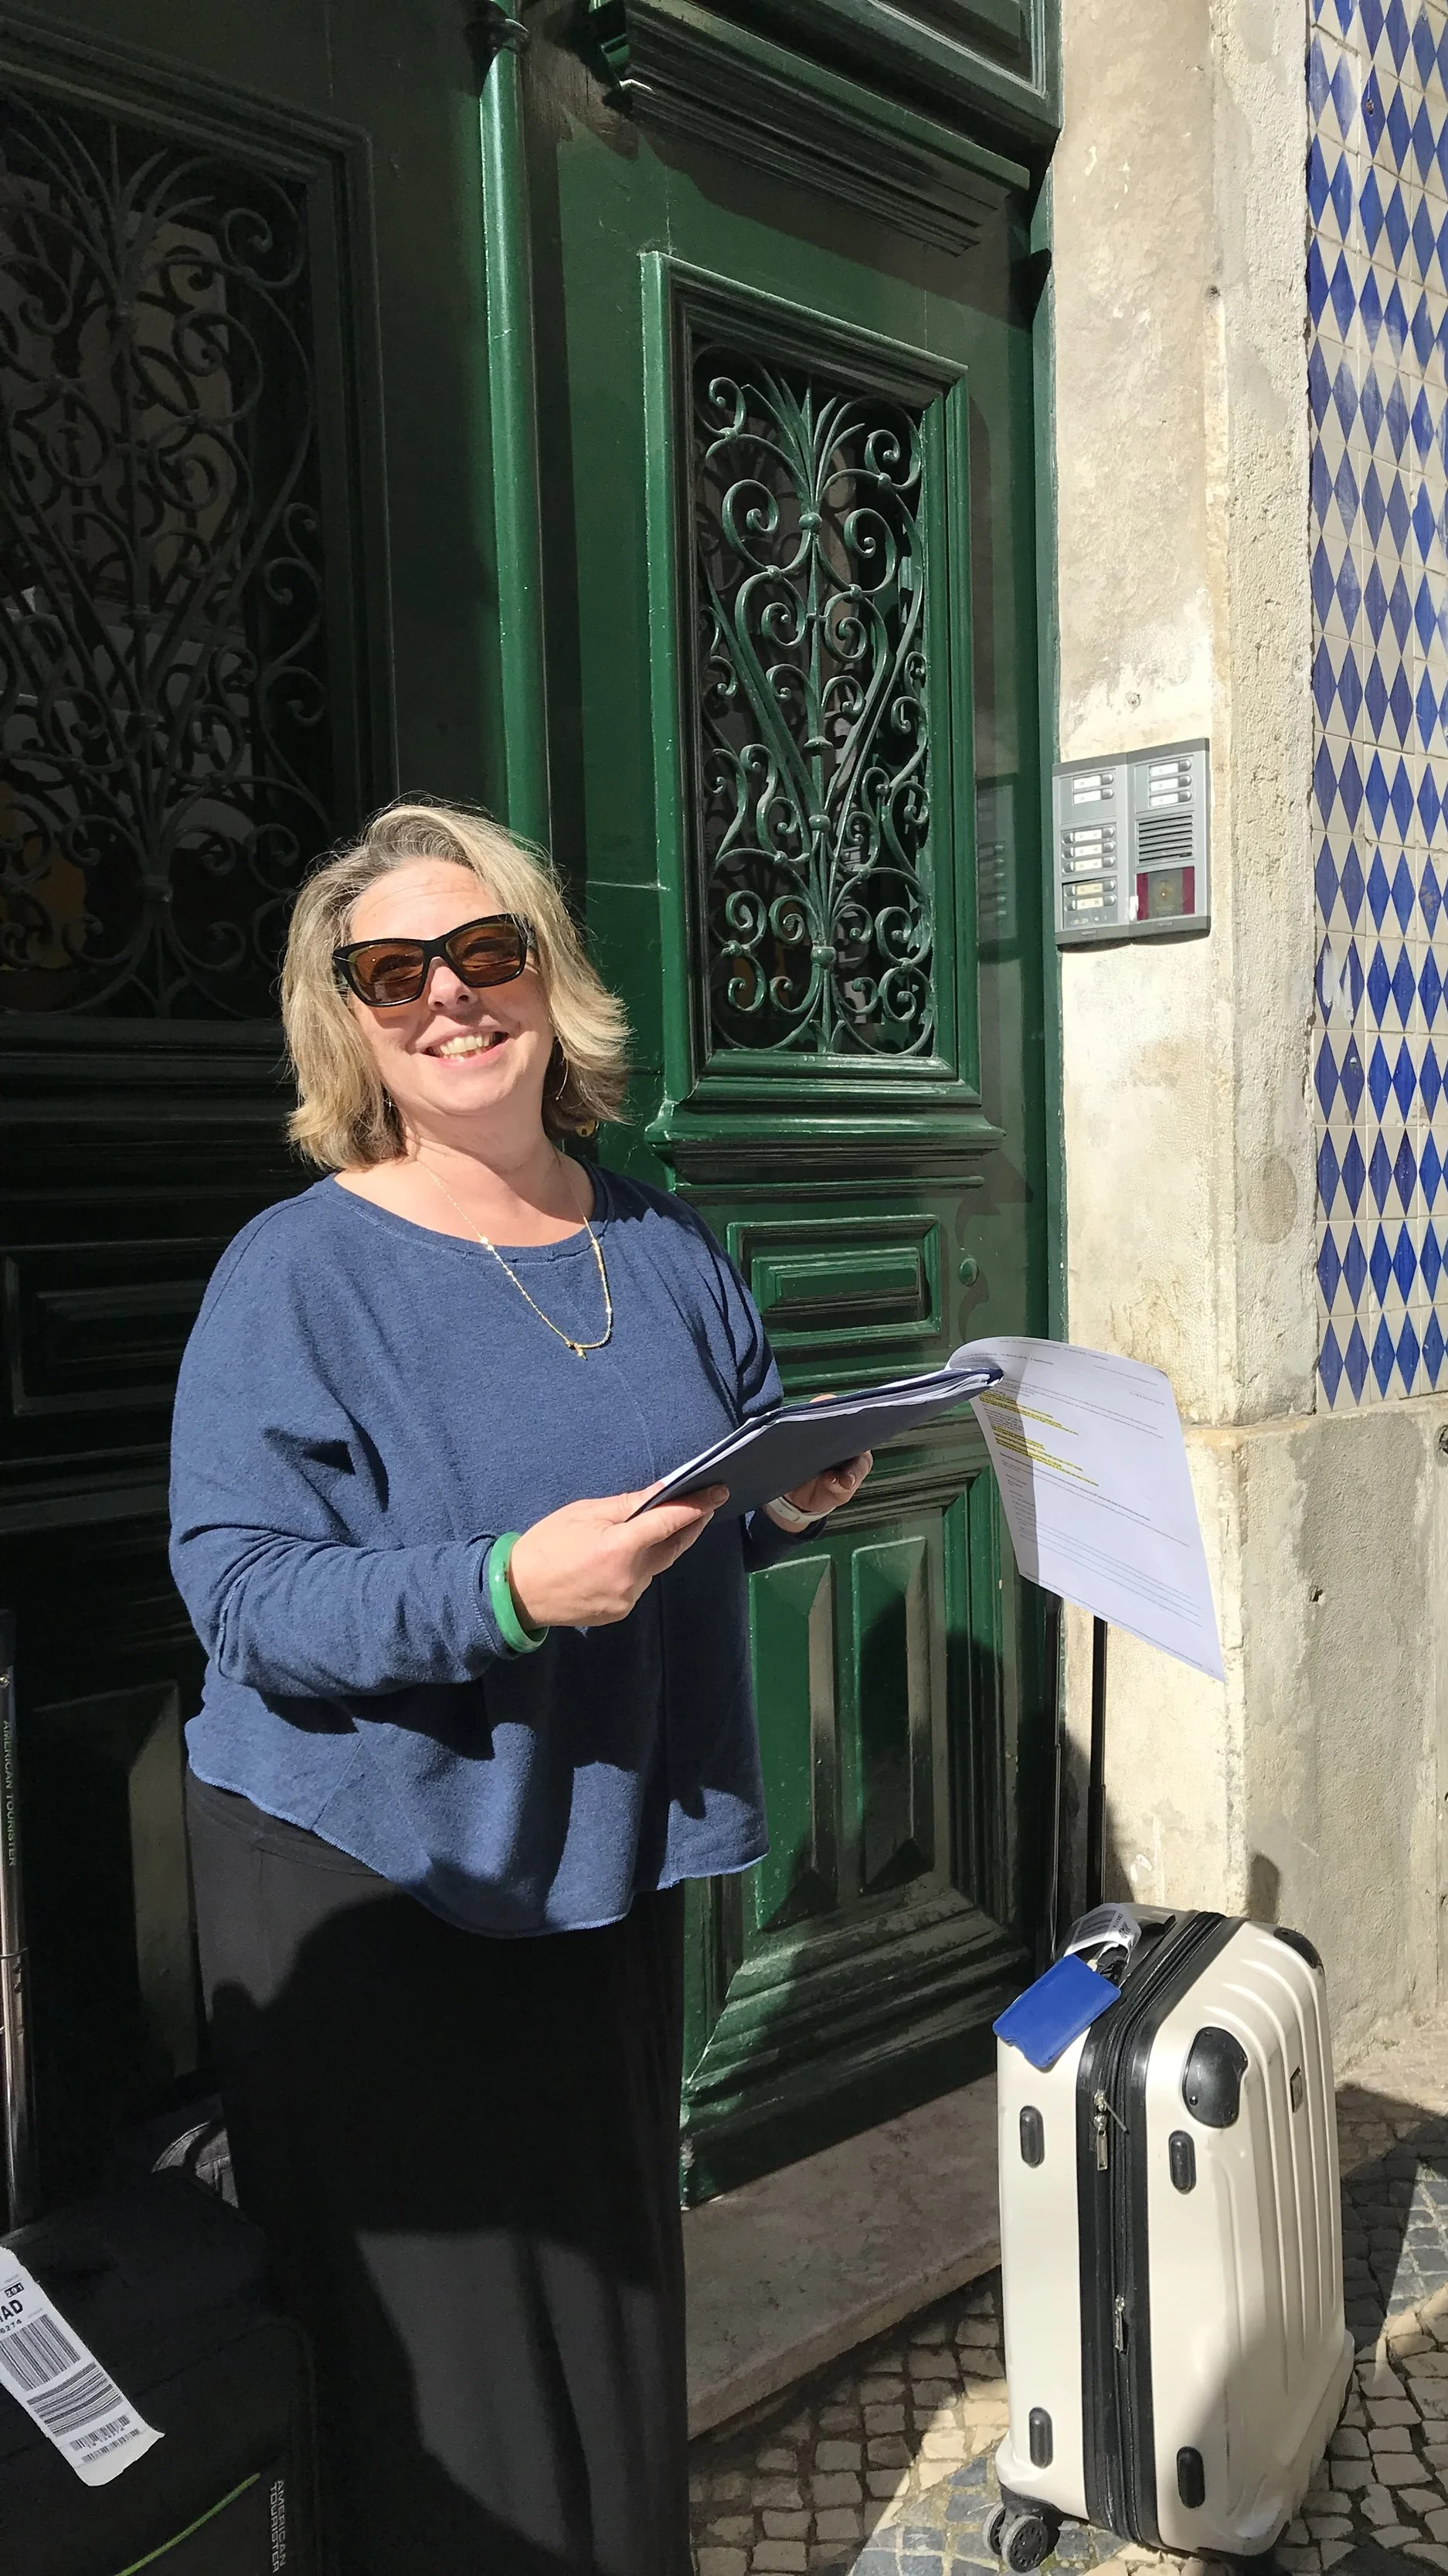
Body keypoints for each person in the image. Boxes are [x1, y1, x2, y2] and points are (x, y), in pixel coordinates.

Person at [168, 798, 872, 2575]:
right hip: (370, 1874)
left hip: (596, 1847)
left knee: (611, 2293)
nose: (450, 1001)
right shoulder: (298, 1271)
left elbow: (699, 1502)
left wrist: (779, 1504)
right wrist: (499, 1588)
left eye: (486, 954)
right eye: (392, 973)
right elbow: (243, 1597)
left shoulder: (661, 1242)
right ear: (348, 1019)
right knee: (449, 2376)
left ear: (550, 977)